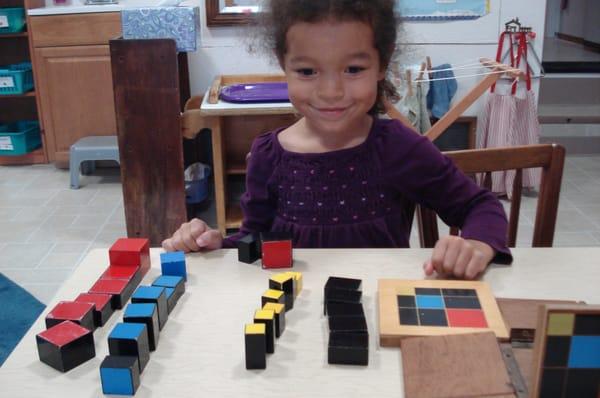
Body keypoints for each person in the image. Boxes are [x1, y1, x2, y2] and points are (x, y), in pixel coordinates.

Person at [162, 0, 512, 279]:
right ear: (284, 65)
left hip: (376, 322)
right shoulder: (269, 155)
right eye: (307, 71)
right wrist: (214, 242)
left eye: (353, 69)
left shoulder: (398, 147)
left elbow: (480, 206)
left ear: (381, 63)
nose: (331, 91)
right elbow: (253, 240)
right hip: (293, 326)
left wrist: (478, 245)